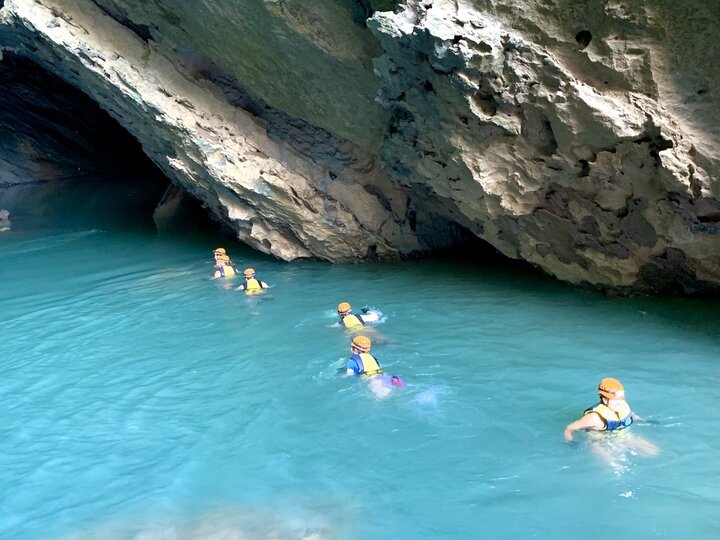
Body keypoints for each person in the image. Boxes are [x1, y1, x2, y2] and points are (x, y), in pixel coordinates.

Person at [564, 377, 658, 459]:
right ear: (605, 399)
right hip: (598, 442)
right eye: (615, 400)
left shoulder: (622, 406)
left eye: (621, 399)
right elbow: (570, 427)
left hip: (622, 436)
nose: (619, 402)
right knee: (614, 466)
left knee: (654, 452)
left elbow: (630, 415)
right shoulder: (594, 417)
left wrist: (643, 420)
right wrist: (570, 442)